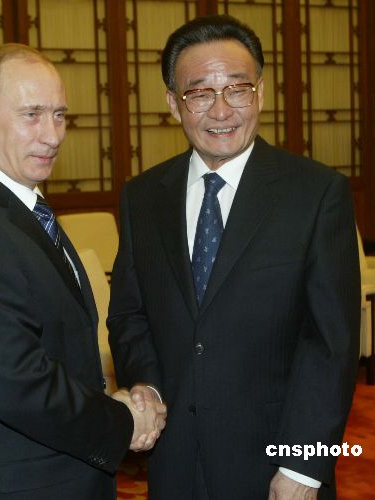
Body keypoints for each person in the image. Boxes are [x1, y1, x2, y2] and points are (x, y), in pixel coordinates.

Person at [107, 14, 360, 500]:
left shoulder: (314, 193)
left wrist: (305, 465)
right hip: (174, 458)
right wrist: (150, 390)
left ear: (260, 93)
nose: (221, 110)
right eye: (199, 93)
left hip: (276, 467)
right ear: (173, 103)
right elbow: (129, 314)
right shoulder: (143, 196)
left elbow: (331, 343)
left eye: (238, 90)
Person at [0, 43, 166, 500]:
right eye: (31, 114)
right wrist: (121, 421)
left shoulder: (17, 207)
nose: (52, 135)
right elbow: (14, 382)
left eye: (59, 115)